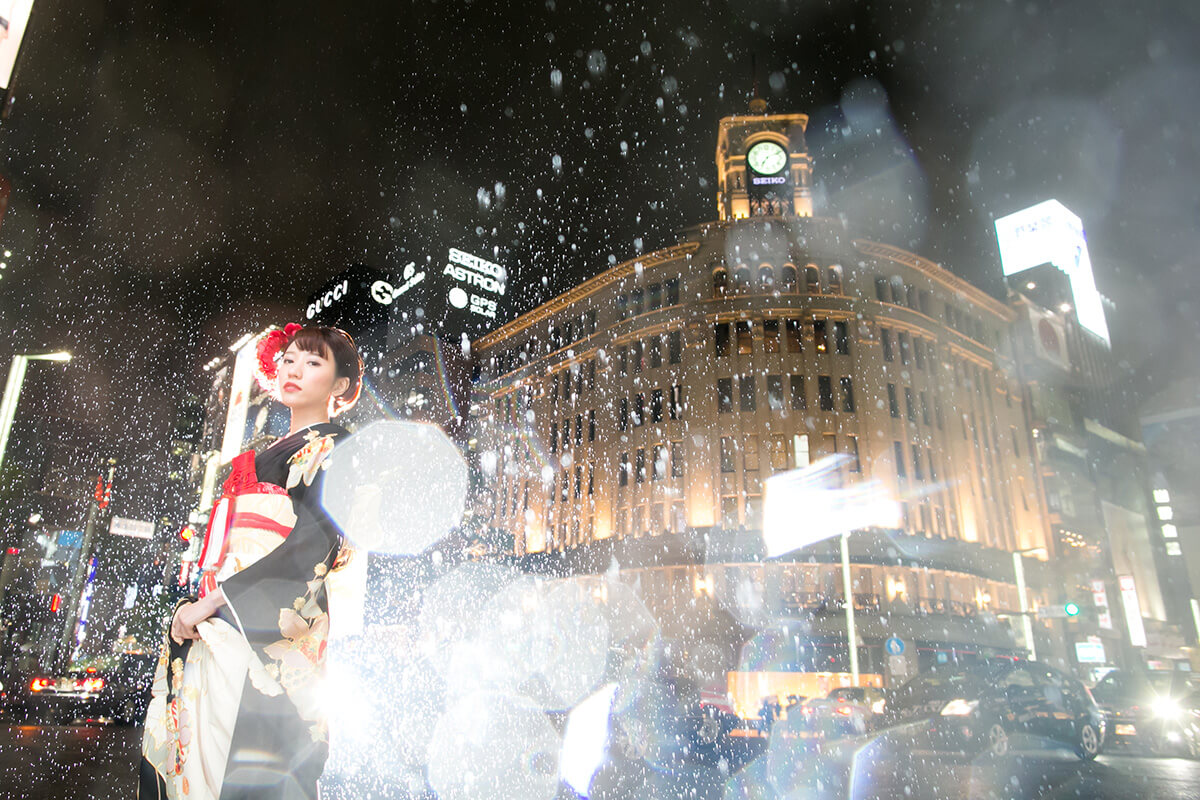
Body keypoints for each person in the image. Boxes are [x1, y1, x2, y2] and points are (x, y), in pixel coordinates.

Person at [140, 324, 364, 800]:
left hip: (259, 633)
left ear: (340, 385)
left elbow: (312, 547)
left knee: (251, 766)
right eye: (288, 359)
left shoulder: (336, 448)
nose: (294, 370)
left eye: (313, 362)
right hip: (216, 619)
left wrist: (216, 603)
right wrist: (199, 605)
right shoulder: (262, 455)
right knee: (199, 764)